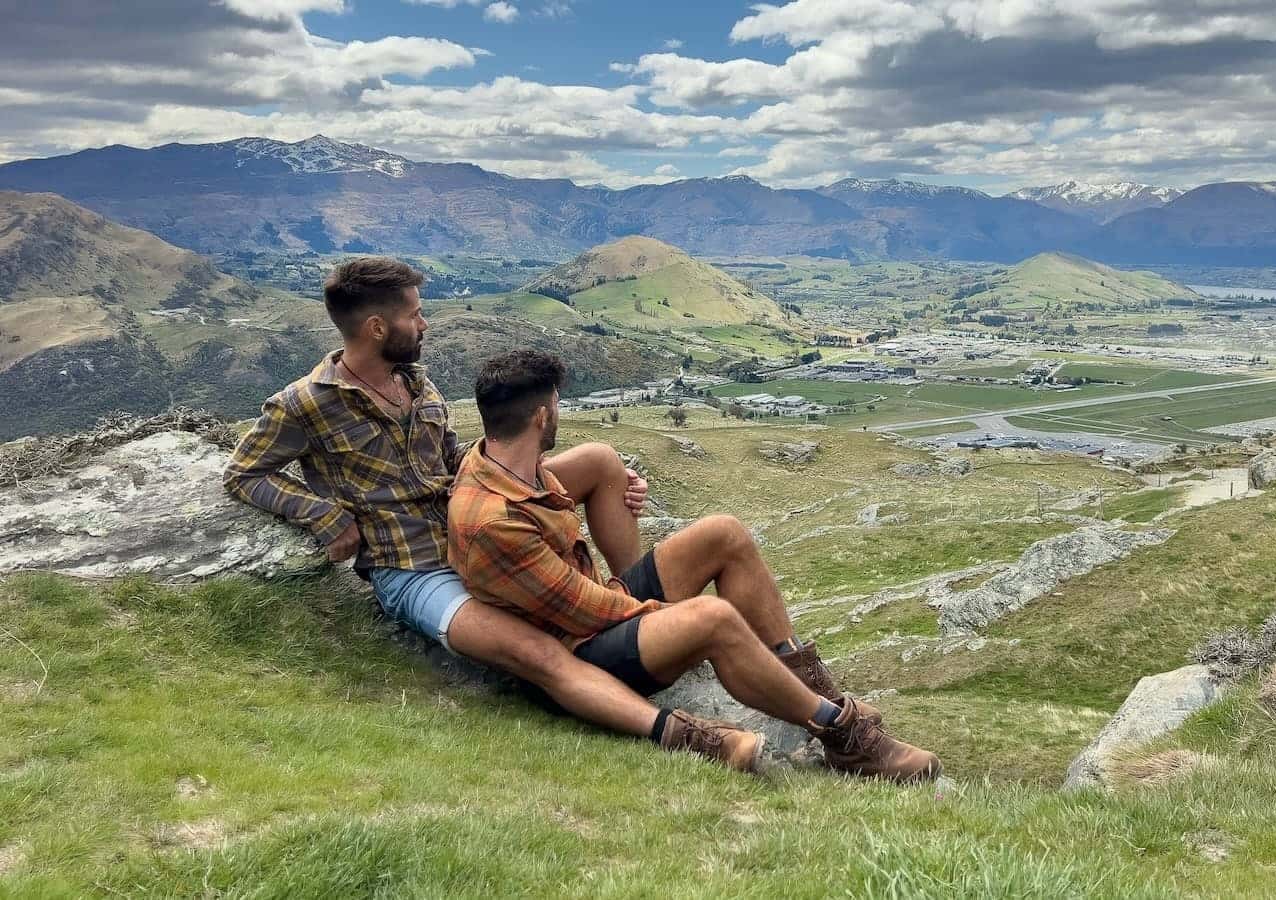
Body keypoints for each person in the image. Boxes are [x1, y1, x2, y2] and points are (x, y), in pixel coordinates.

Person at [223, 256, 754, 768]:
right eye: (414, 314)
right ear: (378, 327)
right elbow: (243, 473)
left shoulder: (415, 383)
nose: (425, 322)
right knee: (539, 654)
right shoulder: (303, 403)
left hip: (468, 517)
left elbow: (456, 459)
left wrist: (540, 486)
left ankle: (630, 611)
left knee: (600, 462)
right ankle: (687, 735)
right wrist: (322, 515)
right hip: (416, 569)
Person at [448, 349, 942, 782]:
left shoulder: (497, 458)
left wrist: (622, 483)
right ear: (540, 417)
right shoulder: (493, 522)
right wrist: (669, 616)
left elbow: (587, 477)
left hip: (598, 605)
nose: (559, 413)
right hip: (584, 649)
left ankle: (812, 690)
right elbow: (584, 612)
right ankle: (843, 737)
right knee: (715, 620)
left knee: (723, 532)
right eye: (556, 405)